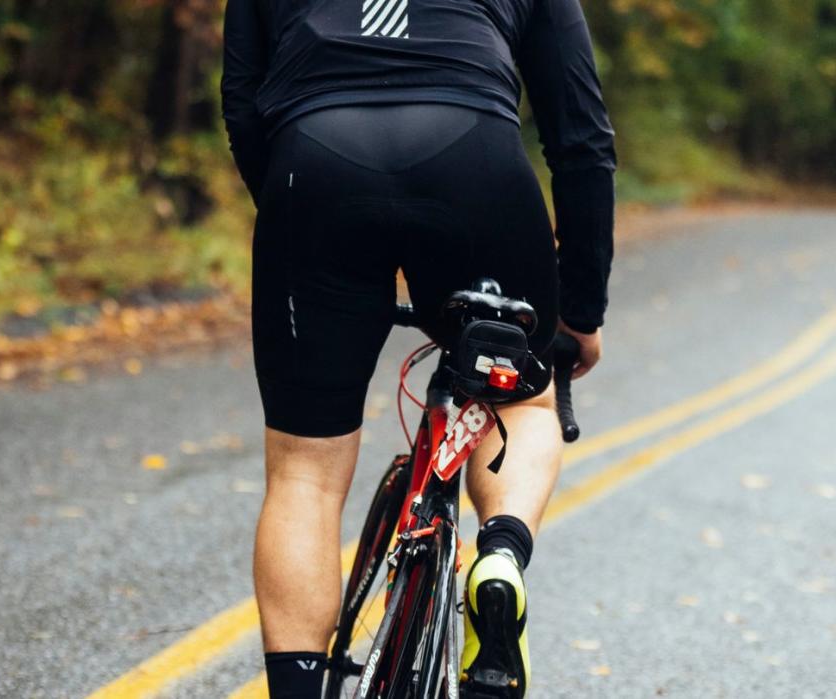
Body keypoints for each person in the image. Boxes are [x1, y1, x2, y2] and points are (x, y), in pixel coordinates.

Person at [221, 0, 615, 695]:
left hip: (313, 162)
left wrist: (301, 219)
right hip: (472, 158)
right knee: (525, 403)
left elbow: (244, 105)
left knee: (304, 475)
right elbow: (581, 139)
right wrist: (579, 311)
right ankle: (499, 555)